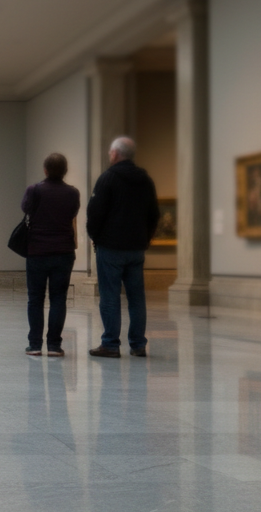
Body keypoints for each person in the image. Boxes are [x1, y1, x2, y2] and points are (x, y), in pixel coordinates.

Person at [86, 136, 160, 359]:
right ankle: (138, 344)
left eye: (111, 152)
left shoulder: (108, 178)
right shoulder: (145, 180)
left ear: (116, 154)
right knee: (136, 298)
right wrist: (145, 239)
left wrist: (95, 236)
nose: (110, 155)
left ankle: (110, 344)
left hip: (111, 247)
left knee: (110, 296)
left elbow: (95, 212)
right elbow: (154, 214)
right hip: (136, 248)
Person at [21, 153, 81, 357]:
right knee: (58, 299)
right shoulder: (73, 193)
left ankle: (35, 344)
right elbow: (73, 213)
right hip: (64, 252)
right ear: (65, 171)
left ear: (45, 170)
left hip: (37, 251)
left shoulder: (34, 190)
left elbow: (25, 208)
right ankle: (54, 345)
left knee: (35, 299)